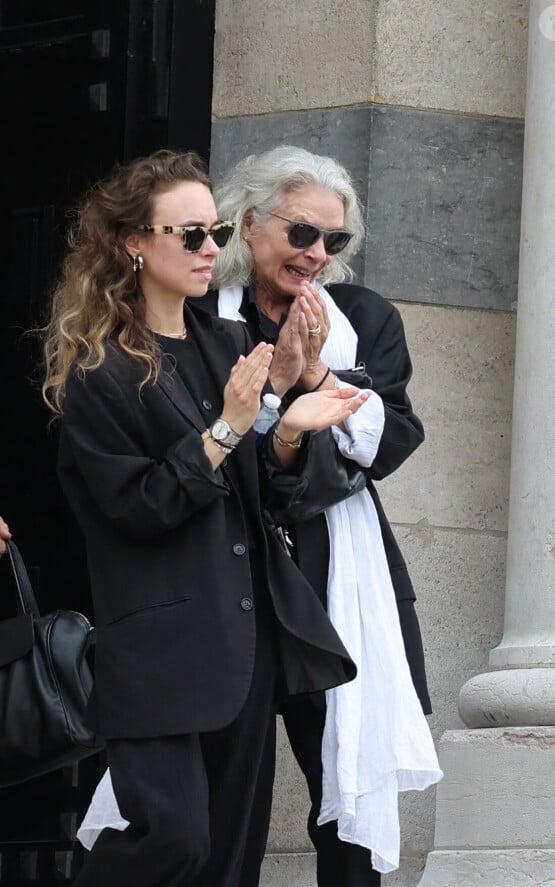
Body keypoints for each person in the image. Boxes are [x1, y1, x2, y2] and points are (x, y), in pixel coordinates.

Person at [41, 148, 373, 887]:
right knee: (175, 839)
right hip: (158, 652)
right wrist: (227, 427)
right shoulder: (100, 371)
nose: (210, 249)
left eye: (215, 231)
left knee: (229, 862)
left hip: (245, 642)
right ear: (133, 242)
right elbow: (139, 507)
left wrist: (290, 429)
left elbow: (268, 496)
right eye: (188, 234)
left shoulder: (225, 347)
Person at [197, 145, 443, 884]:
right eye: (301, 233)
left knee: (350, 804)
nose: (316, 255)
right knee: (221, 803)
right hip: (227, 572)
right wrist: (277, 397)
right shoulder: (203, 316)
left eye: (333, 242)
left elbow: (392, 438)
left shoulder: (362, 317)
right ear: (247, 221)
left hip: (332, 574)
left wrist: (318, 376)